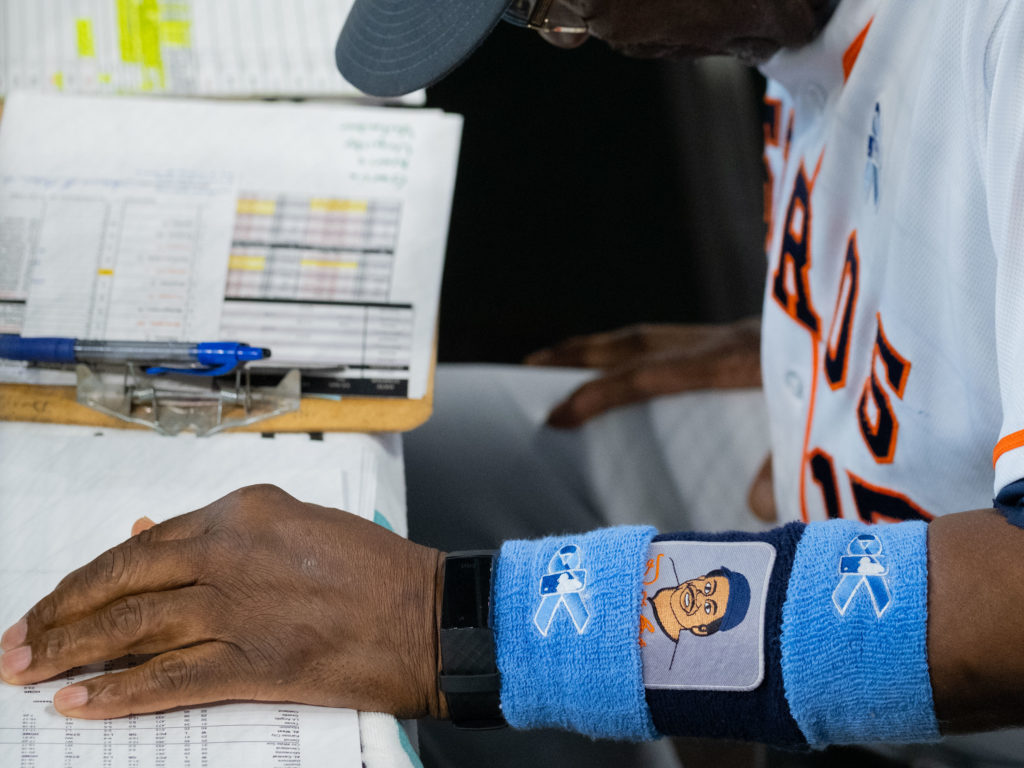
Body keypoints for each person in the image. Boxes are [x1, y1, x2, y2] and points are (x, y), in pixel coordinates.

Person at [3, 0, 1024, 763]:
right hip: (834, 489)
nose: (568, 37)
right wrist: (842, 330)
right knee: (287, 501)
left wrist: (451, 624)